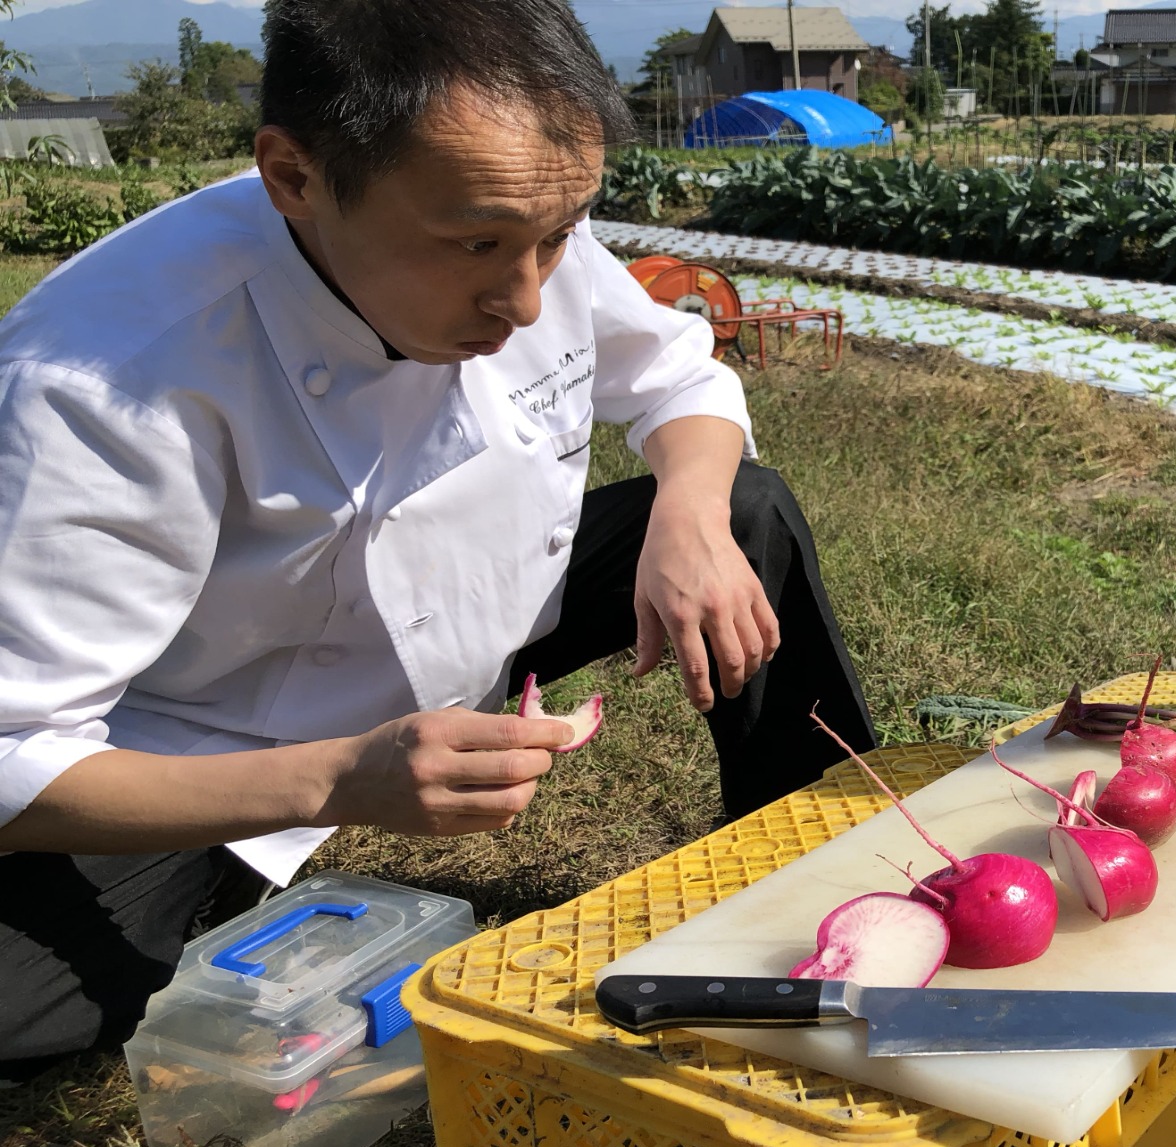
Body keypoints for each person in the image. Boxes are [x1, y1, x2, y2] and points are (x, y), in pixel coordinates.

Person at [0, 0, 876, 1084]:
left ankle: (830, 868)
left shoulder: (522, 223)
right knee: (21, 1014)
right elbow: (12, 751)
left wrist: (687, 517)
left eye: (558, 238)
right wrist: (333, 781)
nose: (523, 297)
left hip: (498, 618)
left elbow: (682, 379)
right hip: (224, 733)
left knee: (747, 508)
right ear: (295, 178)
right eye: (477, 246)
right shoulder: (102, 381)